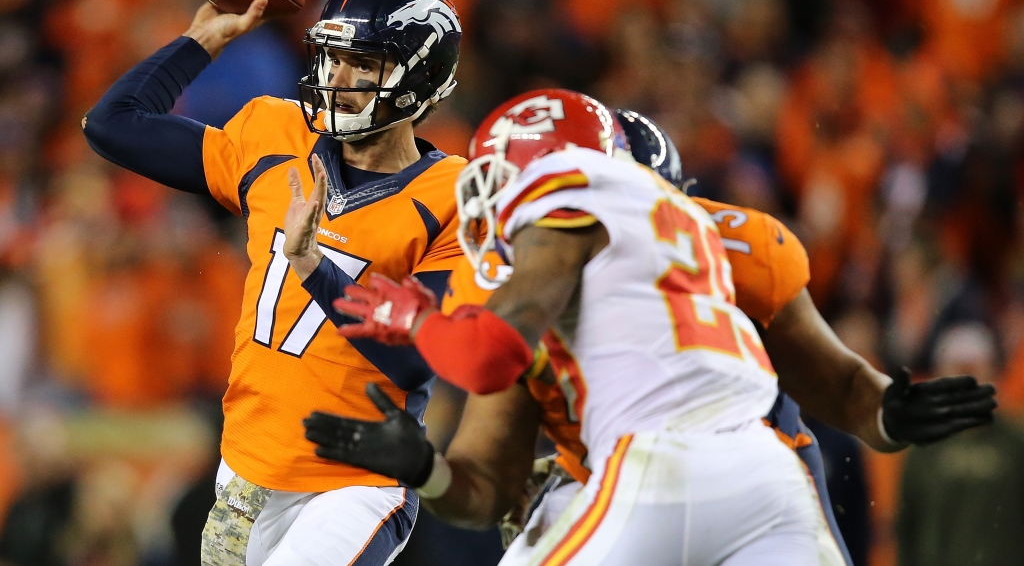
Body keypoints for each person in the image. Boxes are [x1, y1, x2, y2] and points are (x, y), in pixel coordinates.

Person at [306, 101, 996, 564]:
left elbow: (488, 356)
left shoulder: (560, 229)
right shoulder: (711, 236)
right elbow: (486, 480)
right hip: (743, 476)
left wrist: (421, 321)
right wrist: (426, 469)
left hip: (657, 470)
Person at [82, 0, 465, 565]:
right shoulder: (275, 132)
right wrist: (199, 44)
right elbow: (112, 125)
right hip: (245, 467)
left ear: (420, 78)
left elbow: (419, 359)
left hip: (356, 481)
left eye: (363, 62)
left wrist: (315, 266)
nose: (338, 77)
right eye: (333, 56)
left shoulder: (453, 196)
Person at [896, 323, 1024, 566]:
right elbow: (907, 528)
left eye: (974, 370)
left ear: (994, 373)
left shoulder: (1015, 444)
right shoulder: (923, 446)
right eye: (958, 370)